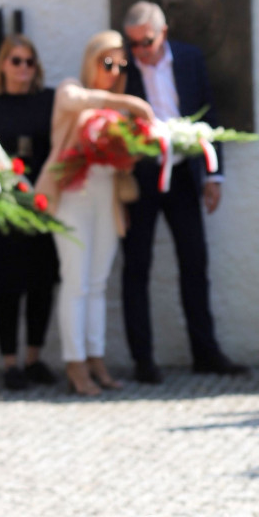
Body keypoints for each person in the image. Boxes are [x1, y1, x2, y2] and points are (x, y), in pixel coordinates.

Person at [122, 0, 247, 384]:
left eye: (146, 42)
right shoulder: (124, 68)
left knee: (194, 263)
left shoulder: (189, 58)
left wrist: (215, 176)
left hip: (184, 175)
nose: (139, 51)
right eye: (133, 44)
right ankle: (143, 360)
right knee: (136, 267)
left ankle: (205, 353)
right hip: (141, 177)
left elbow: (209, 116)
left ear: (163, 32)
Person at [32, 31, 155, 395]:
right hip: (72, 197)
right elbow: (74, 101)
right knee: (76, 281)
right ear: (91, 61)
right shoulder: (74, 91)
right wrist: (128, 102)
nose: (115, 70)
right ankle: (75, 363)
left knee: (99, 283)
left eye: (120, 64)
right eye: (108, 62)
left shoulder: (117, 108)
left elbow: (122, 161)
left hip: (106, 198)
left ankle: (95, 358)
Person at [0, 35, 59, 390]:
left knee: (42, 283)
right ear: (3, 64)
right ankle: (10, 363)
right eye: (15, 61)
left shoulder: (48, 101)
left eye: (29, 61)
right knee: (6, 287)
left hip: (41, 201)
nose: (22, 68)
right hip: (4, 207)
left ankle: (34, 358)